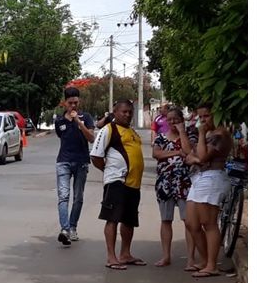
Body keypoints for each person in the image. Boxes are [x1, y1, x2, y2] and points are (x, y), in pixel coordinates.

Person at [90, 99, 145, 270]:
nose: (127, 114)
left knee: (129, 220)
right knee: (112, 218)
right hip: (117, 182)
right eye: (124, 112)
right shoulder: (109, 130)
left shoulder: (132, 132)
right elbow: (96, 156)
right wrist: (109, 172)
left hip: (133, 184)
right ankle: (111, 257)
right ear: (115, 112)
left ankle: (125, 254)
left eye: (130, 112)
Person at [183, 103, 232, 278]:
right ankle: (205, 260)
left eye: (207, 116)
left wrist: (201, 136)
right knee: (191, 223)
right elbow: (193, 154)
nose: (202, 121)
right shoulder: (210, 134)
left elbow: (202, 157)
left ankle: (212, 265)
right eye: (200, 117)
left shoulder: (220, 134)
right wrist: (195, 158)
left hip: (212, 178)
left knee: (208, 223)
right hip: (199, 179)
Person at [152, 106, 199, 269]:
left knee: (189, 221)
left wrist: (182, 133)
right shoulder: (161, 137)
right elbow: (156, 154)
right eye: (169, 119)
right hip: (165, 183)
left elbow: (188, 151)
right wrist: (177, 153)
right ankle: (166, 256)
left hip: (184, 183)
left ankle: (191, 259)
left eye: (176, 119)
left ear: (182, 120)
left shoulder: (191, 136)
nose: (172, 122)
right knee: (166, 220)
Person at [54, 86, 95, 245]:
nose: (73, 106)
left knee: (78, 197)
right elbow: (61, 136)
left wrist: (78, 121)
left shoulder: (87, 117)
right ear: (65, 103)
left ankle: (72, 227)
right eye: (70, 103)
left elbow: (91, 138)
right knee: (63, 196)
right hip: (63, 161)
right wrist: (68, 120)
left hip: (81, 162)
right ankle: (64, 229)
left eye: (76, 102)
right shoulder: (59, 120)